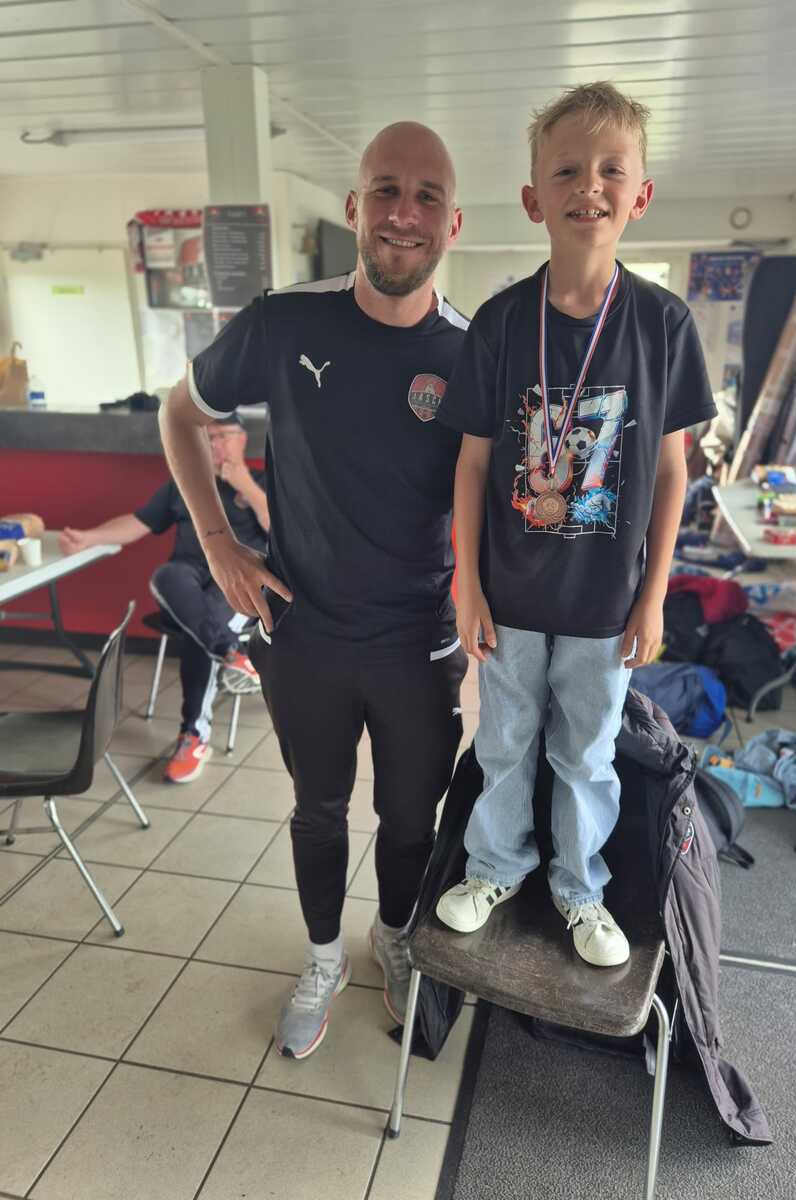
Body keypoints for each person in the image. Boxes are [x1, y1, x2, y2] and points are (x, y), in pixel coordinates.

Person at [157, 122, 469, 1058]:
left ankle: (397, 939)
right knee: (317, 809)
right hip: (306, 632)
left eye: (426, 196)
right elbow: (180, 412)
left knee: (411, 819)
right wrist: (218, 543)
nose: (403, 214)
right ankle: (325, 956)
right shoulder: (284, 320)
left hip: (420, 640)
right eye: (386, 191)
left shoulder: (474, 354)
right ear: (354, 207)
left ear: (453, 222)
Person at [434, 82, 718, 966]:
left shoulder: (664, 325)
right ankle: (496, 867)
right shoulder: (499, 322)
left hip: (606, 601)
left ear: (641, 196)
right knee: (505, 742)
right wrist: (467, 584)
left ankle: (579, 890)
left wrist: (654, 596)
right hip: (510, 592)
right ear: (533, 199)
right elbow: (472, 464)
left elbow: (670, 470)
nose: (587, 185)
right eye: (565, 170)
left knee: (587, 755)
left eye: (610, 170)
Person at [58, 415, 267, 783]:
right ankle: (231, 653)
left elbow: (283, 533)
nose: (216, 445)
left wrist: (245, 485)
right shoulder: (184, 485)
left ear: (242, 439)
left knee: (203, 624)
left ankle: (194, 734)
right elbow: (137, 523)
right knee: (165, 576)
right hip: (187, 583)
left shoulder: (266, 483)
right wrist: (88, 538)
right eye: (208, 439)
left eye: (224, 436)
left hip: (239, 585)